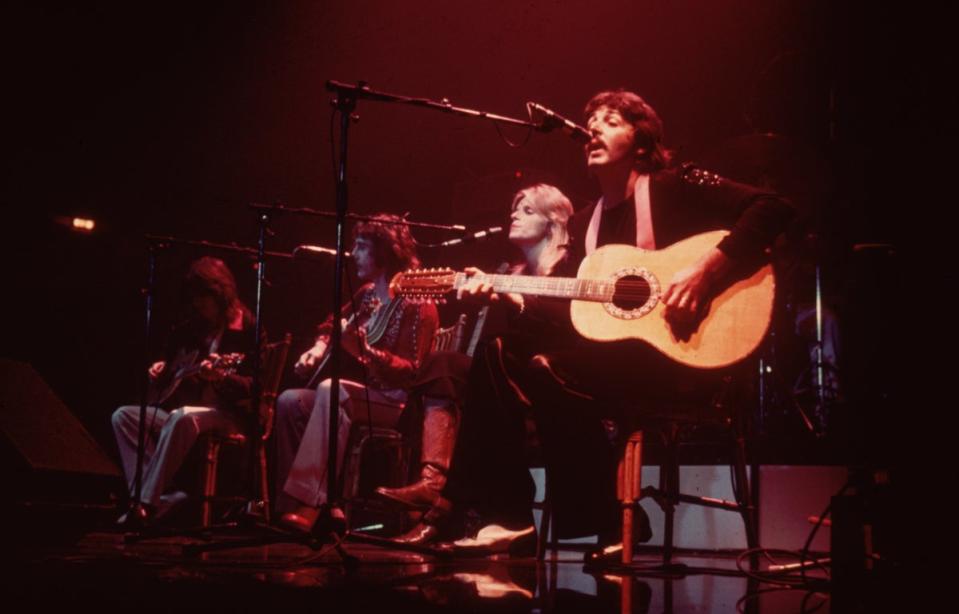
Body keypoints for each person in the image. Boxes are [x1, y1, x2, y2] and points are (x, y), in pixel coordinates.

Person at [373, 184, 575, 547]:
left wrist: (513, 301)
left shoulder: (572, 263)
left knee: (483, 358)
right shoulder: (507, 271)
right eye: (514, 208)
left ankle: (442, 505)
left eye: (527, 210)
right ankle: (436, 486)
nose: (513, 214)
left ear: (553, 222)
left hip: (554, 375)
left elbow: (565, 330)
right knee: (444, 362)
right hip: (505, 379)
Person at [274, 213, 439, 533]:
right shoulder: (365, 295)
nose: (354, 254)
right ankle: (292, 503)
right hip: (360, 396)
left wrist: (365, 352)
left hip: (398, 402)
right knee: (290, 400)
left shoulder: (419, 301)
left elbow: (414, 373)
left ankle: (310, 506)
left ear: (385, 252)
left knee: (331, 390)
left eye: (362, 247)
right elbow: (329, 326)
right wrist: (320, 346)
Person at [112, 256, 258, 527]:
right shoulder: (192, 328)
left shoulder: (248, 329)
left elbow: (254, 385)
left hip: (229, 414)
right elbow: (172, 363)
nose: (198, 305)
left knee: (183, 416)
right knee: (124, 416)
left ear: (219, 294)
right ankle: (164, 495)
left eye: (204, 298)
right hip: (188, 411)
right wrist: (161, 367)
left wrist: (222, 377)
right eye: (195, 299)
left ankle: (144, 504)